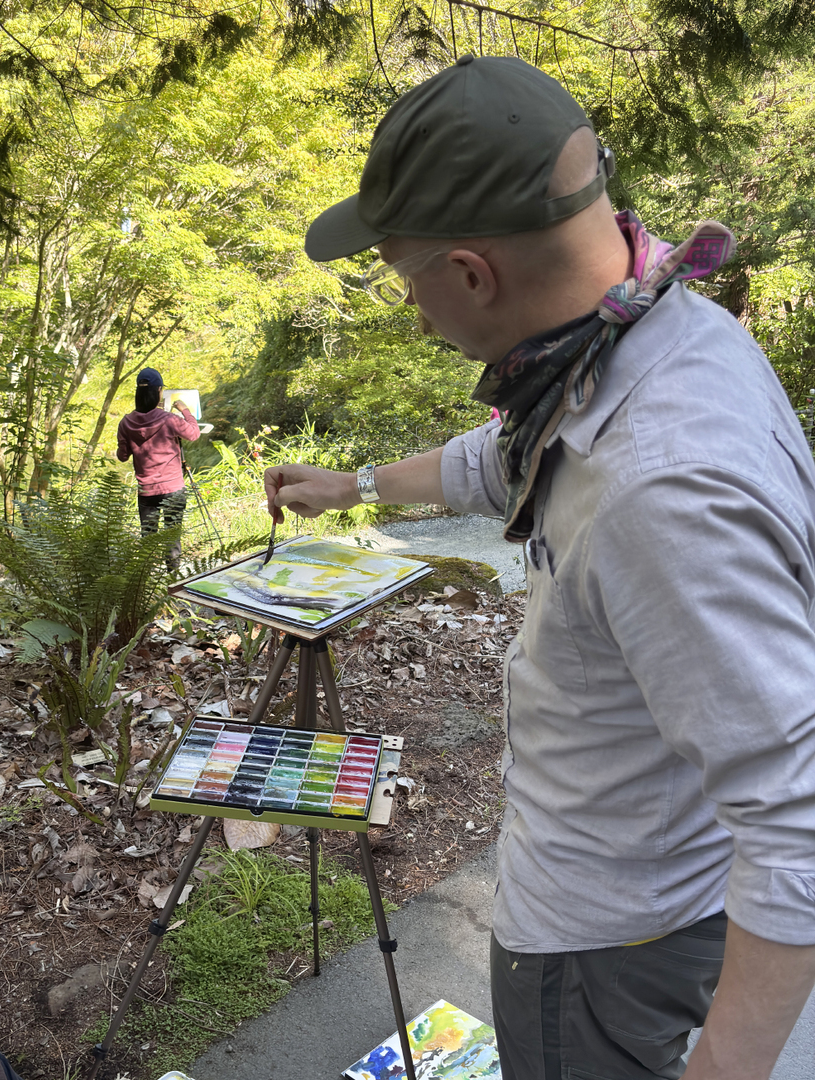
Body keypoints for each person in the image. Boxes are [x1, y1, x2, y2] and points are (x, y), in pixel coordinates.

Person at [266, 56, 815, 1080]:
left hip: (606, 937)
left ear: (471, 273)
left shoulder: (659, 487)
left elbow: (797, 827)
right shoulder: (643, 333)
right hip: (629, 890)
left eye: (408, 282)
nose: (416, 315)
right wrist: (352, 484)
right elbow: (509, 457)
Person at [117, 367, 199, 571]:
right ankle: (172, 577)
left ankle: (144, 582)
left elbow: (122, 456)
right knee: (172, 538)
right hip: (173, 488)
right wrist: (185, 411)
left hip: (147, 491)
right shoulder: (169, 419)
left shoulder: (126, 423)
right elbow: (194, 434)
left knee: (148, 540)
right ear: (159, 391)